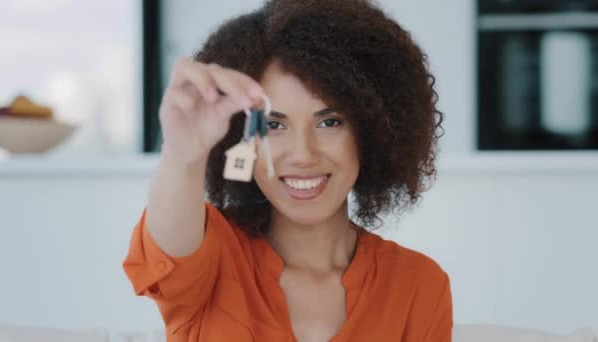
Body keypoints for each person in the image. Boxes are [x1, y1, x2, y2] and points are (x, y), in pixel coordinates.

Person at [123, 0, 452, 341]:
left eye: (329, 122)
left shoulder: (417, 285)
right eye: (274, 125)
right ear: (243, 138)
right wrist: (182, 155)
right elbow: (168, 247)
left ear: (371, 131)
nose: (303, 154)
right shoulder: (216, 256)